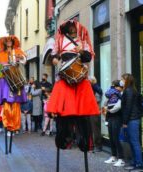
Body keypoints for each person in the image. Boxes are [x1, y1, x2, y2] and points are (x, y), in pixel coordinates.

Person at [46, 20, 100, 152]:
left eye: (73, 26)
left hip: (80, 79)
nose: (72, 29)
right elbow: (53, 56)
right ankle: (64, 138)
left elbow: (88, 58)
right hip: (65, 78)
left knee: (83, 113)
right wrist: (55, 60)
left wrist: (81, 51)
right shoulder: (60, 40)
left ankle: (84, 141)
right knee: (64, 112)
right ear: (66, 28)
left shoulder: (83, 40)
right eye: (69, 27)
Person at [0, 35, 27, 134]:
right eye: (7, 41)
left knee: (16, 104)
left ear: (12, 42)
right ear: (4, 43)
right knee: (7, 104)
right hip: (5, 79)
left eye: (10, 41)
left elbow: (24, 60)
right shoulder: (0, 53)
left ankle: (15, 126)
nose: (8, 42)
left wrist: (21, 57)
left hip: (16, 78)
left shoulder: (17, 51)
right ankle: (8, 127)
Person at [121, 73, 143, 171]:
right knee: (132, 142)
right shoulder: (131, 90)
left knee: (134, 142)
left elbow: (128, 107)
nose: (121, 81)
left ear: (126, 80)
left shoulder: (129, 91)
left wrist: (125, 122)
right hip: (133, 119)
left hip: (132, 119)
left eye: (122, 79)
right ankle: (135, 163)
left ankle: (139, 165)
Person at [103, 80, 125, 167]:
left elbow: (119, 106)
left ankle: (121, 159)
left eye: (115, 86)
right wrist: (106, 108)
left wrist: (109, 110)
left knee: (116, 138)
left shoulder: (121, 94)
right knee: (111, 137)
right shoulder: (113, 93)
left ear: (120, 87)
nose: (114, 88)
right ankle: (113, 156)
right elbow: (106, 102)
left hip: (117, 117)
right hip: (111, 117)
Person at [90, 76, 103, 153]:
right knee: (93, 129)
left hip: (94, 111)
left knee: (95, 129)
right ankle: (94, 145)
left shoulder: (96, 88)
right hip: (91, 110)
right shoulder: (93, 88)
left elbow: (97, 100)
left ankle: (98, 146)